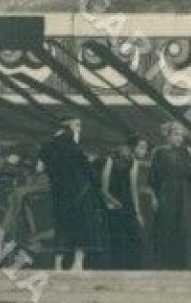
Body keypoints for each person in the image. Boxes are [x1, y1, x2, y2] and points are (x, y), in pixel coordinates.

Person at [36, 116, 108, 272]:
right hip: (79, 194)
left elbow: (39, 168)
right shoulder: (72, 144)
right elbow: (87, 170)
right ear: (69, 127)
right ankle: (77, 264)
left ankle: (57, 265)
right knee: (83, 227)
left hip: (59, 193)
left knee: (61, 228)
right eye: (77, 125)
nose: (79, 129)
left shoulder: (47, 144)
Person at [150, 122, 191, 270]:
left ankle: (188, 265)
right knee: (167, 229)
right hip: (166, 193)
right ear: (168, 135)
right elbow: (153, 178)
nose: (180, 138)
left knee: (187, 228)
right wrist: (154, 197)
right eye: (176, 134)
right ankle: (167, 266)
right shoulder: (158, 152)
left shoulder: (188, 151)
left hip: (185, 194)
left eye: (182, 135)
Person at [100, 135, 151, 269]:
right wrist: (138, 213)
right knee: (134, 242)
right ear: (133, 148)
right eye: (141, 147)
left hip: (113, 207)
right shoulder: (133, 163)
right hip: (125, 207)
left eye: (145, 148)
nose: (144, 151)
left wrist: (113, 202)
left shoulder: (111, 159)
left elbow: (104, 190)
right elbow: (133, 189)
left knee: (118, 243)